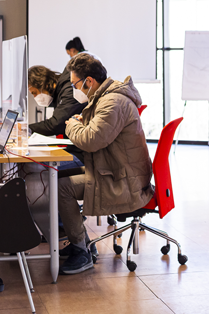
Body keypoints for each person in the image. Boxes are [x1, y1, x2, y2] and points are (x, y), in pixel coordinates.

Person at [58, 54, 154, 274]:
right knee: (61, 174)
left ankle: (81, 251)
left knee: (61, 186)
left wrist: (72, 125)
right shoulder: (108, 97)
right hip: (118, 171)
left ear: (89, 81)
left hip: (124, 181)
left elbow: (91, 141)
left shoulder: (112, 101)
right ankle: (80, 242)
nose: (76, 89)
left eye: (76, 85)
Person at [28, 65, 86, 164]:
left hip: (81, 154)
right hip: (72, 148)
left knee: (34, 166)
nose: (34, 97)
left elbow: (56, 124)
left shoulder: (69, 91)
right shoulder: (60, 91)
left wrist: (27, 129)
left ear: (43, 85)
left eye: (34, 93)